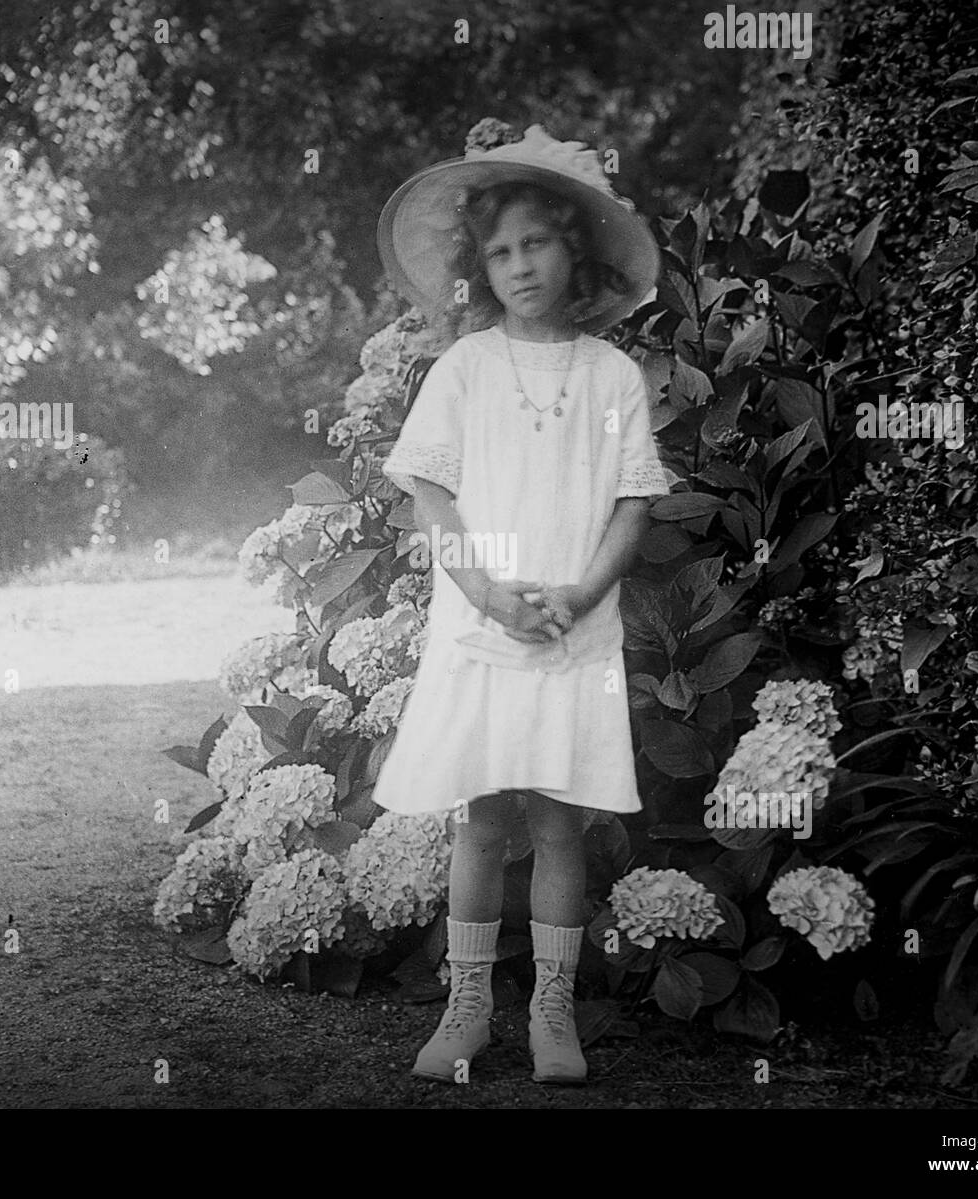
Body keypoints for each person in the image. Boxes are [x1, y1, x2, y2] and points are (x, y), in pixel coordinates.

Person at [372, 125, 668, 1085]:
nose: (518, 265)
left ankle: (552, 1012)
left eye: (536, 243)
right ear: (478, 269)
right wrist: (491, 593)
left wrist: (580, 593)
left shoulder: (610, 376)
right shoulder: (467, 370)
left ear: (575, 247)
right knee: (480, 818)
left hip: (576, 628)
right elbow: (432, 494)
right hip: (483, 621)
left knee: (557, 823)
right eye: (498, 252)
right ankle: (466, 1008)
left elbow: (632, 501)